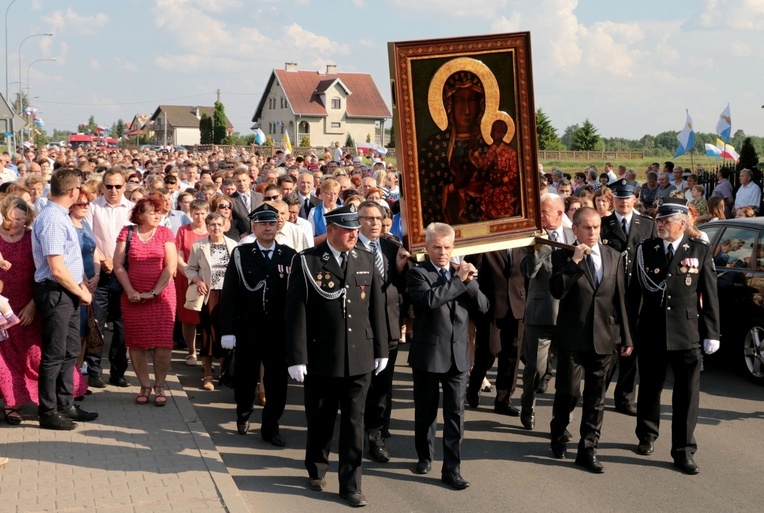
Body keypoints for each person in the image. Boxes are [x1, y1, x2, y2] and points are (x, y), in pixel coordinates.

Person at [285, 203, 387, 508]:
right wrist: (296, 356)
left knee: (355, 423)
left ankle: (351, 485)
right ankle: (316, 467)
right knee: (320, 418)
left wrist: (380, 349)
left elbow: (376, 310)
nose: (355, 234)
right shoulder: (308, 261)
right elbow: (296, 312)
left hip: (359, 356)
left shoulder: (365, 259)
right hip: (321, 356)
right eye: (348, 229)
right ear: (330, 230)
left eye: (356, 229)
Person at [629, 197, 720, 475]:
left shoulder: (699, 249)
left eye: (666, 221)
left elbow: (709, 292)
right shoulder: (646, 249)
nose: (660, 225)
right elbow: (634, 293)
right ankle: (647, 434)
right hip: (652, 330)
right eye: (658, 221)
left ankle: (683, 450)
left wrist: (712, 331)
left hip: (687, 332)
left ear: (682, 223)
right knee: (649, 386)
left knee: (687, 395)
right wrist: (628, 332)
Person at [548, 207, 632, 473]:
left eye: (596, 227)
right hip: (573, 338)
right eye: (587, 227)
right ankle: (559, 433)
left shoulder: (614, 256)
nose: (593, 232)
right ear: (575, 229)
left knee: (596, 398)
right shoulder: (562, 255)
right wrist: (574, 262)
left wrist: (626, 336)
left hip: (604, 338)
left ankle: (588, 449)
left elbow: (620, 299)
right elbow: (557, 290)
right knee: (568, 392)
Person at [406, 222, 489, 489]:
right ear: (427, 247)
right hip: (429, 355)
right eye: (437, 247)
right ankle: (425, 455)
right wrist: (458, 280)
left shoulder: (462, 275)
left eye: (447, 248)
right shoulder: (419, 274)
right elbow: (430, 301)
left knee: (456, 414)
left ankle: (452, 469)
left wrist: (471, 282)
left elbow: (484, 307)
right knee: (426, 411)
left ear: (455, 248)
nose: (442, 253)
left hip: (458, 356)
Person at [220, 204, 295, 444]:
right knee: (245, 379)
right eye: (263, 224)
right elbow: (229, 293)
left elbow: (295, 297)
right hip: (247, 328)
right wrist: (227, 330)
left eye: (272, 223)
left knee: (276, 383)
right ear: (254, 226)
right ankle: (243, 412)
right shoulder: (242, 254)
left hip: (277, 331)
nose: (268, 228)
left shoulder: (289, 255)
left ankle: (271, 427)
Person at [32, 168, 98, 430]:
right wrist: (82, 291)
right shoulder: (53, 219)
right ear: (73, 192)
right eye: (79, 189)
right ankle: (48, 411)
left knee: (70, 350)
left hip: (67, 291)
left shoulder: (60, 216)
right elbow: (56, 268)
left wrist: (80, 285)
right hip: (55, 291)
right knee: (54, 353)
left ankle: (65, 403)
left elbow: (69, 260)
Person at [356, 200, 410, 463]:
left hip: (387, 327)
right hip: (359, 329)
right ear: (358, 222)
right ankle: (356, 431)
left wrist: (399, 268)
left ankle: (377, 436)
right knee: (360, 385)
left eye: (378, 218)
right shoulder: (351, 248)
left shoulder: (392, 248)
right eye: (368, 218)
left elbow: (401, 289)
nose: (375, 223)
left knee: (383, 387)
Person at [112, 197, 177, 407]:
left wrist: (154, 292)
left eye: (159, 212)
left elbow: (170, 266)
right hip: (133, 297)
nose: (158, 215)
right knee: (136, 342)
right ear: (140, 215)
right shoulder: (127, 232)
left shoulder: (165, 233)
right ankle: (144, 385)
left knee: (163, 342)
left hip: (162, 297)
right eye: (153, 212)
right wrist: (130, 290)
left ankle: (160, 385)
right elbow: (118, 264)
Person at [599, 180, 657, 415]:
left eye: (627, 198)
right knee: (608, 347)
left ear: (635, 199)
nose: (623, 203)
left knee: (631, 348)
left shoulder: (647, 225)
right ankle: (597, 393)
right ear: (613, 200)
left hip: (637, 294)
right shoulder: (603, 224)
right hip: (610, 294)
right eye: (619, 198)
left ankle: (625, 397)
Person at [519, 194, 575, 430]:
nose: (539, 216)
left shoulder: (574, 235)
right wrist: (540, 247)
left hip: (570, 315)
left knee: (569, 372)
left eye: (543, 212)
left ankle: (563, 420)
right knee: (536, 369)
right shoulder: (531, 238)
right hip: (541, 311)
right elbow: (528, 271)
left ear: (559, 214)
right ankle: (528, 405)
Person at [418, 70, 492, 226]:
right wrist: (452, 187)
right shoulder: (433, 147)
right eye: (459, 100)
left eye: (472, 100)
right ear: (448, 104)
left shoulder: (488, 147)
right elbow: (426, 196)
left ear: (481, 104)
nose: (466, 110)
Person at [85, 168, 133, 389]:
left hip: (124, 273)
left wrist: (118, 263)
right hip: (99, 271)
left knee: (122, 326)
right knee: (96, 324)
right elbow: (87, 237)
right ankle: (94, 371)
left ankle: (118, 371)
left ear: (125, 186)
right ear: (102, 186)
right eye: (109, 186)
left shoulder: (132, 209)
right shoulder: (93, 207)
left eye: (118, 186)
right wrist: (103, 259)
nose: (113, 190)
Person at [465, 246, 525, 417]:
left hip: (518, 304)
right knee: (488, 350)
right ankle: (474, 386)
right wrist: (479, 244)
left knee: (513, 353)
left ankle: (503, 400)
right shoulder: (489, 244)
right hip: (491, 305)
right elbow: (471, 262)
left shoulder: (525, 243)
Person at [185, 212, 237, 391]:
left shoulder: (233, 245)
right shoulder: (199, 246)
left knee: (226, 333)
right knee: (208, 333)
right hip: (208, 294)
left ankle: (224, 371)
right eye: (212, 225)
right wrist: (198, 280)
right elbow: (190, 268)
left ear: (225, 226)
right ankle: (207, 374)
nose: (216, 228)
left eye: (219, 224)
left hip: (229, 295)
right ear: (207, 227)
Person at [69, 186, 103, 367]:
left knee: (87, 330)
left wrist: (96, 275)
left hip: (91, 282)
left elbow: (94, 251)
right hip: (76, 283)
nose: (84, 207)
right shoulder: (67, 226)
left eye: (87, 204)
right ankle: (71, 378)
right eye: (80, 204)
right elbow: (70, 256)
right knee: (78, 332)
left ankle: (78, 378)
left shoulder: (86, 225)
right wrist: (82, 279)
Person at [175, 199, 209, 366]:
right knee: (188, 316)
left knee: (207, 316)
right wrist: (192, 276)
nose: (199, 217)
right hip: (187, 279)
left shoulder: (212, 230)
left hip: (208, 279)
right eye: (196, 213)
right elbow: (178, 258)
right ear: (191, 213)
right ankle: (191, 351)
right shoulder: (183, 230)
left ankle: (207, 354)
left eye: (203, 213)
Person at [230, 168, 264, 236]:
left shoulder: (260, 197)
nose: (242, 183)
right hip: (240, 237)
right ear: (234, 182)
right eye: (239, 181)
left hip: (260, 235)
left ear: (249, 180)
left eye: (244, 180)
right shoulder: (230, 200)